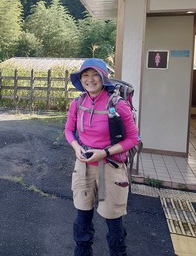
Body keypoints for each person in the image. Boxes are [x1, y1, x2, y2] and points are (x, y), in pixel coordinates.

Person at [64, 58, 140, 256]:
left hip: (110, 166)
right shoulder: (78, 102)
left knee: (113, 219)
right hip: (84, 166)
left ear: (103, 77)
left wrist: (104, 152)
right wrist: (75, 147)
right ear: (81, 79)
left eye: (94, 74)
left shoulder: (118, 104)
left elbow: (133, 139)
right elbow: (68, 131)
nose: (90, 80)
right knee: (82, 217)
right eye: (85, 75)